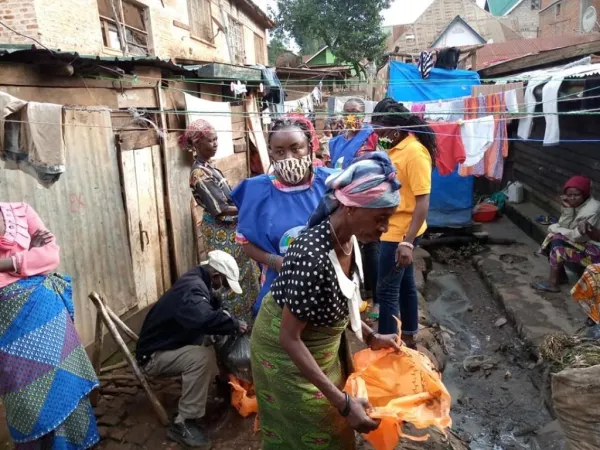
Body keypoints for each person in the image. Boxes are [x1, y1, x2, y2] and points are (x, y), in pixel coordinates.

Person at [251, 153, 402, 449]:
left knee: (331, 430)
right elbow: (289, 337)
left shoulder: (350, 240)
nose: (385, 228)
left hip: (318, 345)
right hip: (283, 352)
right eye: (381, 217)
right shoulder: (312, 256)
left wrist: (370, 336)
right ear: (349, 208)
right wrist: (342, 403)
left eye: (389, 218)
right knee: (309, 427)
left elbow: (345, 297)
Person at [0, 202, 99, 450]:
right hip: (8, 332)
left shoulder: (19, 210)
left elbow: (50, 255)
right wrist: (26, 260)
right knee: (25, 401)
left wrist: (8, 263)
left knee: (65, 384)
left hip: (46, 316)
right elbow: (37, 259)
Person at [136, 250, 248, 449]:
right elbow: (205, 318)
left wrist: (226, 320)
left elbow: (209, 312)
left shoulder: (200, 278)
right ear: (215, 276)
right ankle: (185, 423)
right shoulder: (192, 290)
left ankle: (223, 383)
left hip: (170, 342)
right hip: (153, 356)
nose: (225, 291)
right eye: (224, 285)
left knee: (217, 337)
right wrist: (233, 324)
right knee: (202, 358)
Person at [231, 117, 334, 317]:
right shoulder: (256, 191)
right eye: (280, 152)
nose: (288, 158)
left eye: (296, 149)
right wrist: (275, 261)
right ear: (271, 154)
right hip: (278, 285)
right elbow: (245, 242)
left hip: (327, 284)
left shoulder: (331, 184)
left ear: (310, 148)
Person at [371, 98, 437, 348]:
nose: (379, 135)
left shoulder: (414, 153)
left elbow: (422, 201)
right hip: (395, 229)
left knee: (386, 290)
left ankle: (388, 345)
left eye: (381, 130)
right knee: (406, 284)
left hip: (399, 234)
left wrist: (407, 244)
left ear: (395, 128)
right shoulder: (397, 148)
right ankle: (408, 335)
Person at [183, 119, 260, 324]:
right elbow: (221, 210)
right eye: (210, 140)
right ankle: (235, 325)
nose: (215, 143)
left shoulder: (210, 167)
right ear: (197, 144)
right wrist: (250, 207)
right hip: (221, 231)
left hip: (230, 230)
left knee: (243, 272)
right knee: (230, 275)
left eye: (216, 139)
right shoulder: (199, 174)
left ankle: (249, 320)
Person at [534, 175, 600, 293]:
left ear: (585, 194)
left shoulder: (592, 210)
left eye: (577, 195)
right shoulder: (577, 205)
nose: (573, 198)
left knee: (558, 244)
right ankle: (560, 277)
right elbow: (566, 226)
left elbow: (578, 237)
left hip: (596, 250)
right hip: (585, 243)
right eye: (569, 195)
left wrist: (555, 228)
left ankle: (553, 283)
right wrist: (568, 209)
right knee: (554, 237)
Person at [328, 98, 378, 170]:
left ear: (363, 115)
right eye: (346, 113)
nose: (350, 117)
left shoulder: (372, 134)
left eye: (355, 112)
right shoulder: (335, 142)